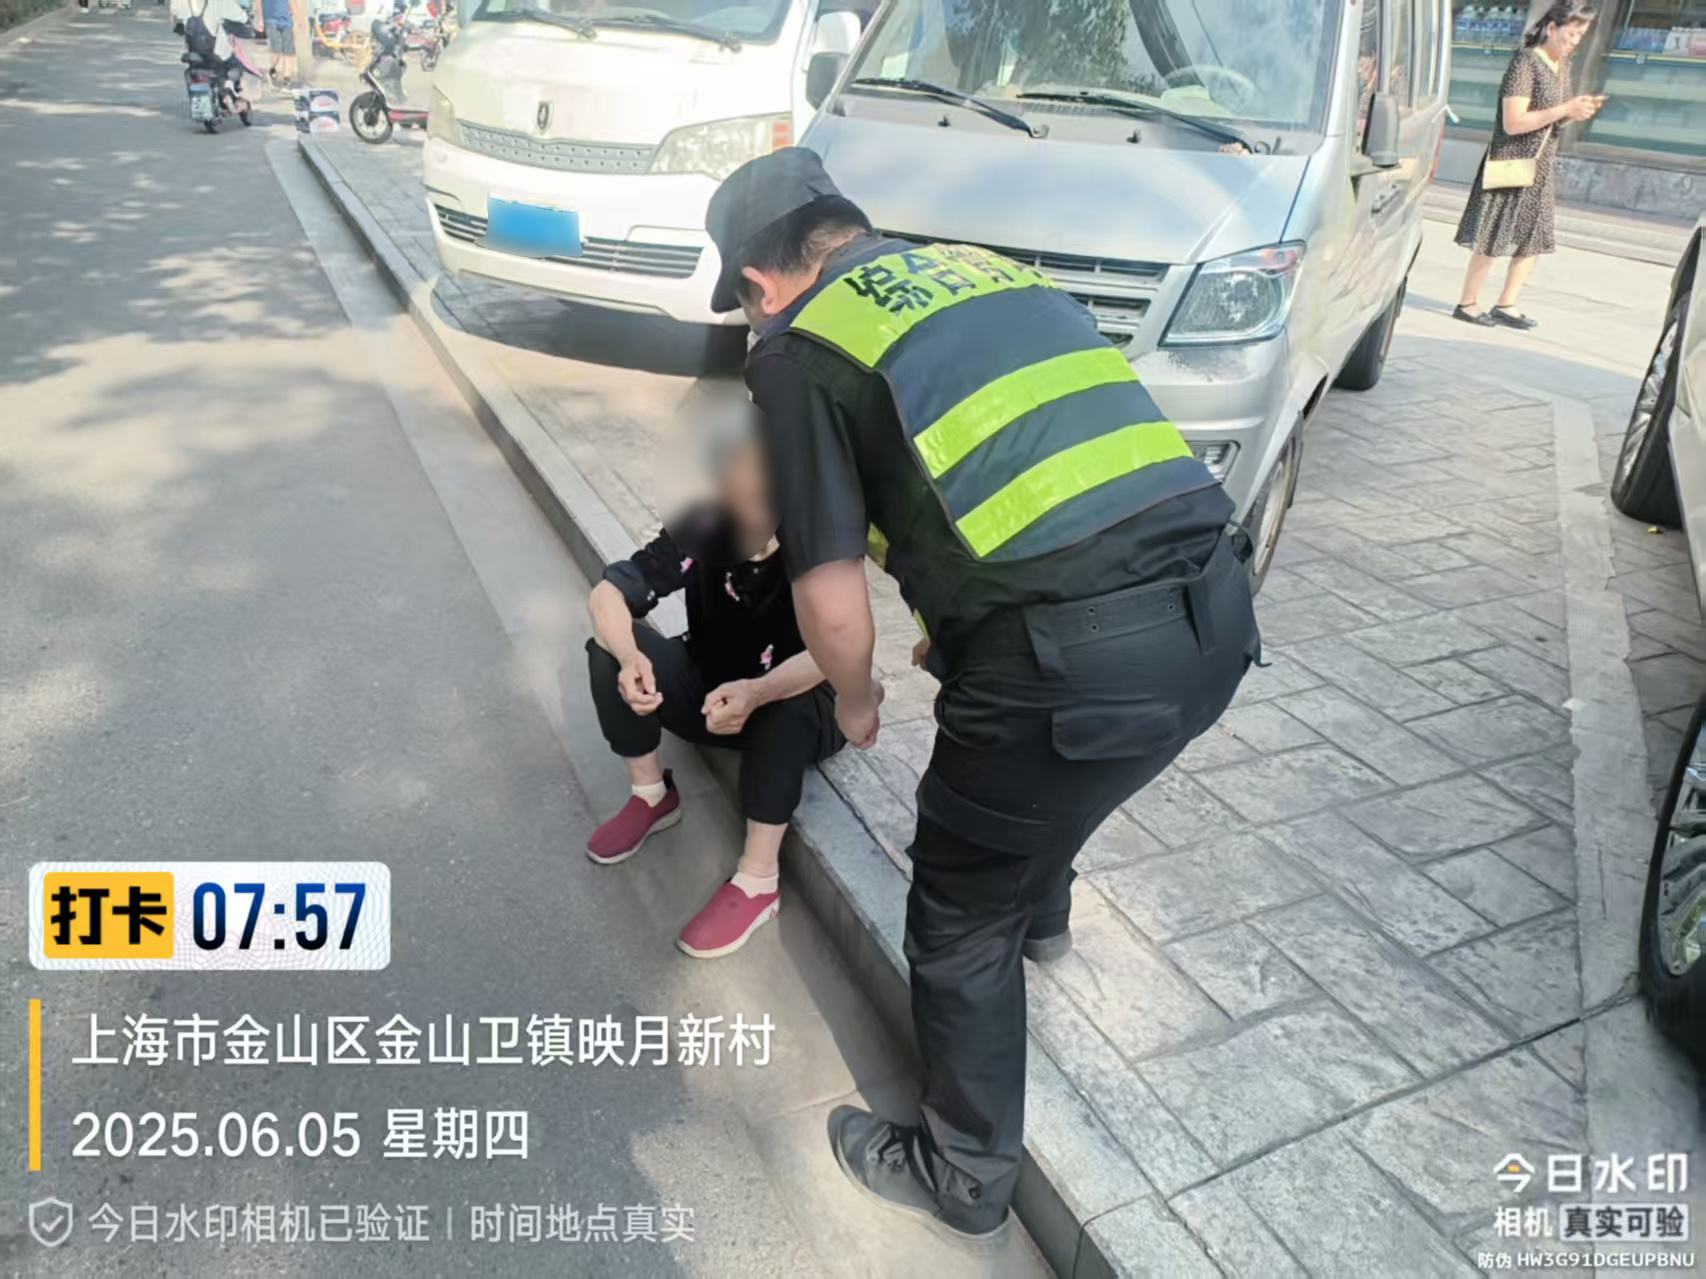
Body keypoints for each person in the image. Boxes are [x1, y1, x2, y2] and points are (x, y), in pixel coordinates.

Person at [704, 149, 1260, 1240]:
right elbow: (1032, 470)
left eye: (748, 306)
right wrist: (967, 620)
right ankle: (1042, 917)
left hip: (1073, 670)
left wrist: (854, 701)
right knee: (1051, 782)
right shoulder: (980, 270)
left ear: (760, 283)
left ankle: (962, 1173)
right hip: (1217, 615)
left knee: (958, 914)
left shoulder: (797, 349)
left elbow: (828, 597)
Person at [583, 412, 844, 959]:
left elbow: (836, 652)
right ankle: (652, 796)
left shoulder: (819, 544)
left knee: (790, 706)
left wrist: (757, 692)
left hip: (792, 698)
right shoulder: (705, 525)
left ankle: (758, 879)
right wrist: (630, 656)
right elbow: (609, 593)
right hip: (708, 685)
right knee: (607, 644)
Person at [1454, 1, 1601, 330]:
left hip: (1540, 165)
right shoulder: (1526, 62)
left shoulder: (1562, 64)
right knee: (1494, 233)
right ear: (1551, 28)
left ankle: (1507, 303)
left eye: (1581, 35)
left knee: (1533, 236)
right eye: (1571, 34)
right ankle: (1467, 302)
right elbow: (1513, 122)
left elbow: (1554, 117)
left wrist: (1575, 112)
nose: (1575, 41)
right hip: (1513, 160)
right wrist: (1564, 109)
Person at [261, 0, 295, 87]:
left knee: (288, 51)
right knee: (277, 49)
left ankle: (287, 79)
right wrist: (260, 19)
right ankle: (272, 69)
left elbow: (292, 3)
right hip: (271, 20)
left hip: (286, 20)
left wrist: (294, 13)